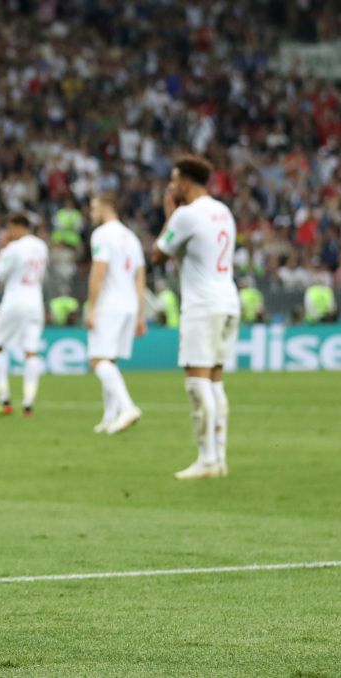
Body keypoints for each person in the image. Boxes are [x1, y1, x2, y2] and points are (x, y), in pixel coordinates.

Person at [152, 155, 240, 480]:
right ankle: (219, 458)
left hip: (203, 305)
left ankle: (206, 459)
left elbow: (159, 255)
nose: (171, 186)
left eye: (174, 181)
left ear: (185, 183)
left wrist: (168, 216)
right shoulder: (223, 211)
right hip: (228, 300)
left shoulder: (185, 215)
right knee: (215, 381)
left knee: (196, 382)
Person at [85, 193, 146, 435]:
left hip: (110, 303)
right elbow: (140, 277)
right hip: (129, 303)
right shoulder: (131, 237)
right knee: (109, 360)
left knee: (97, 360)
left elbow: (99, 272)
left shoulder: (102, 234)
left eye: (93, 208)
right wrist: (140, 314)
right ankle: (110, 416)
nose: (91, 213)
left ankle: (128, 407)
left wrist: (91, 308)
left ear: (104, 207)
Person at [0, 212, 48, 417]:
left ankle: (4, 400)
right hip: (35, 302)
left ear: (16, 226)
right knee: (31, 351)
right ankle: (28, 403)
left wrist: (3, 250)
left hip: (14, 301)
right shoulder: (41, 246)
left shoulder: (12, 248)